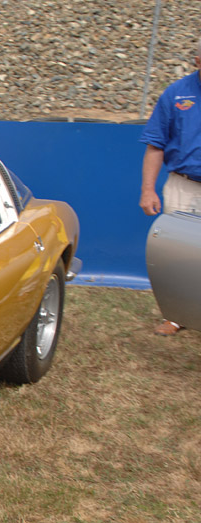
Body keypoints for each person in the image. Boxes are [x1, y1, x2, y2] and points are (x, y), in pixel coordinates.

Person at [138, 37, 201, 336]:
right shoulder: (176, 94)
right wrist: (147, 190)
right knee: (180, 254)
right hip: (183, 186)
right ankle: (176, 316)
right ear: (197, 61)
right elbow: (155, 146)